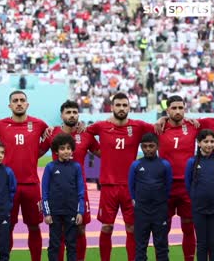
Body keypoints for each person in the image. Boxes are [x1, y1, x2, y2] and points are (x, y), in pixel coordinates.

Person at [86, 92, 154, 261]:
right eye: (118, 105)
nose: (122, 108)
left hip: (131, 187)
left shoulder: (138, 126)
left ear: (129, 107)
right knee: (107, 227)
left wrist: (162, 120)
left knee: (131, 227)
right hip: (108, 186)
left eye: (125, 105)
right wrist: (99, 151)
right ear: (112, 107)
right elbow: (84, 134)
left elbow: (158, 130)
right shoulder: (101, 126)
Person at [41, 100, 100, 261]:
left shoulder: (86, 134)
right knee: (57, 231)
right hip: (56, 192)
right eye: (68, 112)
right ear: (62, 115)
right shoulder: (52, 133)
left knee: (80, 229)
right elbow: (36, 152)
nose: (72, 115)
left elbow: (102, 152)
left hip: (79, 191)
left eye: (74, 112)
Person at [0, 90, 49, 261]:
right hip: (7, 186)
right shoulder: (0, 126)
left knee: (34, 226)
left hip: (31, 185)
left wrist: (35, 154)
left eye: (22, 100)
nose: (19, 103)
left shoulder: (39, 124)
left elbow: (49, 140)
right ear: (9, 105)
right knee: (7, 226)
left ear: (27, 104)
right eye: (15, 100)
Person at [157, 95, 199, 261]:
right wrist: (161, 118)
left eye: (180, 108)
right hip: (165, 186)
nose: (177, 111)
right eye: (173, 108)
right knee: (163, 227)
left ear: (185, 109)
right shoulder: (159, 127)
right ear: (167, 110)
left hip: (187, 186)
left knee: (188, 227)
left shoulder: (193, 126)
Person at [128, 133, 172, 261]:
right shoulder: (136, 165)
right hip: (142, 211)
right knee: (141, 246)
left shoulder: (165, 164)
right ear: (141, 147)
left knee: (162, 245)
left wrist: (162, 201)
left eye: (151, 146)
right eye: (145, 146)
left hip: (160, 210)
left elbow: (168, 185)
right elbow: (131, 186)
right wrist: (135, 200)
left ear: (157, 147)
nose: (148, 149)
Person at [42, 134, 84, 261]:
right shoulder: (50, 167)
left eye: (68, 148)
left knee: (71, 244)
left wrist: (80, 211)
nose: (66, 151)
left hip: (71, 211)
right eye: (62, 148)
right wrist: (47, 213)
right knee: (54, 244)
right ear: (56, 151)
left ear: (72, 150)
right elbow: (45, 192)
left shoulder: (76, 167)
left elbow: (80, 191)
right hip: (54, 212)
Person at [185, 129, 214, 261]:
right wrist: (197, 198)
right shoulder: (192, 162)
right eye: (205, 141)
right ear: (199, 143)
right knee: (201, 243)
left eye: (212, 141)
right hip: (199, 209)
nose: (209, 144)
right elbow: (188, 184)